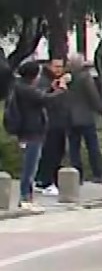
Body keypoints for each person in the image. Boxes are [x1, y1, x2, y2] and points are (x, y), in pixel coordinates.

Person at [6, 60, 68, 211]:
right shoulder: (25, 90)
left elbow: (40, 96)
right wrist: (61, 90)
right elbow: (44, 99)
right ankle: (25, 198)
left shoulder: (22, 87)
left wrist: (51, 89)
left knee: (31, 165)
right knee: (30, 167)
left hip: (31, 131)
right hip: (31, 132)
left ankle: (28, 197)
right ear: (33, 75)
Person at [63, 53, 102, 186]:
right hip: (85, 117)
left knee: (74, 148)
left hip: (70, 118)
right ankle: (98, 174)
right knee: (93, 146)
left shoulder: (67, 77)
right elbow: (93, 95)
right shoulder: (85, 77)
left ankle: (77, 176)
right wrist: (101, 109)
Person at [34, 57, 70, 196]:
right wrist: (55, 88)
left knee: (58, 153)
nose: (58, 69)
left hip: (60, 122)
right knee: (49, 153)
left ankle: (53, 180)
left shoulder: (61, 79)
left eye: (61, 66)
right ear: (50, 66)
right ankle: (44, 181)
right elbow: (43, 97)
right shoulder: (44, 80)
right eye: (56, 66)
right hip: (48, 123)